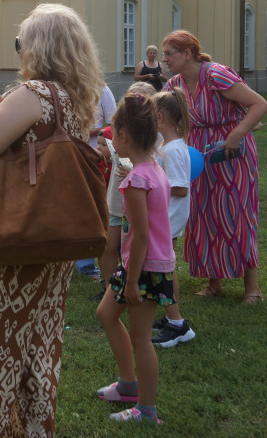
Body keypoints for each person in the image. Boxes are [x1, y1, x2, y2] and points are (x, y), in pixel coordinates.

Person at [0, 3, 104, 438]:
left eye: (20, 42)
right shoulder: (77, 101)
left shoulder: (34, 95)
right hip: (53, 243)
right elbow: (29, 139)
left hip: (11, 248)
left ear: (38, 47)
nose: (19, 50)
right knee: (33, 356)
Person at [161, 30, 267, 304]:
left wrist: (237, 134)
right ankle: (214, 282)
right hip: (197, 154)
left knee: (238, 213)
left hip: (233, 152)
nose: (164, 60)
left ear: (188, 53)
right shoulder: (173, 84)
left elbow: (260, 104)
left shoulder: (216, 74)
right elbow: (160, 116)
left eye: (168, 54)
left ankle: (252, 289)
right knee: (203, 214)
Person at [95, 92, 174, 424]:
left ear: (124, 137)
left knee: (142, 338)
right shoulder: (152, 168)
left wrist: (131, 281)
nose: (113, 144)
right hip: (139, 265)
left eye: (115, 137)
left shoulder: (138, 180)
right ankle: (128, 384)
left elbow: (140, 235)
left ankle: (146, 409)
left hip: (144, 269)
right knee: (106, 314)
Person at [97, 82, 157, 301]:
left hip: (134, 202)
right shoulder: (120, 134)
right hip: (115, 200)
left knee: (130, 249)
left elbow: (150, 169)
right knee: (107, 246)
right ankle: (108, 288)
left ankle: (128, 286)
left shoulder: (151, 141)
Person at [151, 88, 197, 348]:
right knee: (166, 271)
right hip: (164, 221)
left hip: (167, 221)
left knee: (163, 272)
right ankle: (173, 319)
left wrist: (148, 185)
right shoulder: (167, 147)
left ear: (159, 119)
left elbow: (180, 187)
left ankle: (178, 325)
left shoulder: (174, 150)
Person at [76, 85, 117, 280]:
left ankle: (89, 263)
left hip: (99, 158)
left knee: (95, 208)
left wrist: (92, 132)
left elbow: (113, 124)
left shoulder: (101, 90)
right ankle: (75, 259)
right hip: (72, 154)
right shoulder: (60, 87)